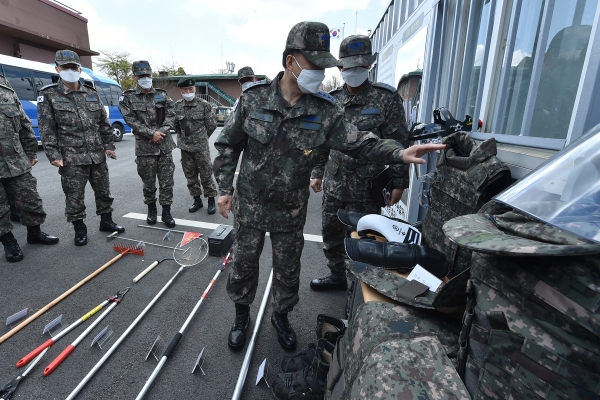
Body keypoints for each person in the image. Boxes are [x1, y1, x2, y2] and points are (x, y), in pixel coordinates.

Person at [214, 21, 444, 352]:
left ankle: (281, 316)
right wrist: (224, 188)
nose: (321, 72)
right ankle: (241, 315)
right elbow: (227, 146)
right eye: (314, 63)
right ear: (290, 61)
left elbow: (360, 141)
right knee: (243, 266)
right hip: (250, 206)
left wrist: (398, 152)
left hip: (291, 211)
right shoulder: (253, 100)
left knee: (288, 271)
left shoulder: (324, 110)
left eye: (325, 64)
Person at [309, 35, 409, 291]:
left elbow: (397, 143)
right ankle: (337, 276)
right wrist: (317, 172)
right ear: (340, 67)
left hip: (366, 187)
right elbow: (324, 141)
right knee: (331, 236)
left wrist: (399, 182)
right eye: (348, 67)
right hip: (334, 183)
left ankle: (360, 290)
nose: (353, 72)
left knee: (364, 241)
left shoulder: (386, 99)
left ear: (369, 65)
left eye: (359, 66)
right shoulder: (330, 100)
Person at [38, 50, 123, 246]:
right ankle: (79, 229)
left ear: (79, 69)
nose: (70, 70)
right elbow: (46, 128)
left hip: (96, 155)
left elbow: (103, 123)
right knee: (74, 196)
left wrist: (109, 145)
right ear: (57, 68)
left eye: (73, 67)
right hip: (71, 158)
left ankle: (106, 221)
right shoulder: (49, 95)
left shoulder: (91, 94)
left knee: (103, 191)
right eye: (65, 67)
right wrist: (53, 154)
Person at [0, 73, 58, 262]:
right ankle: (9, 243)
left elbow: (23, 122)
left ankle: (35, 233)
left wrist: (31, 152)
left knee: (30, 199)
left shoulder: (4, 85)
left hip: (16, 160)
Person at [118, 61, 176, 228]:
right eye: (141, 76)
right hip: (145, 148)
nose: (145, 78)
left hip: (164, 146)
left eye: (148, 75)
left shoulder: (162, 95)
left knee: (167, 182)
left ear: (152, 75)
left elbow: (172, 115)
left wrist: (160, 132)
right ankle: (151, 209)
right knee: (148, 182)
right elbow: (131, 120)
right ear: (134, 77)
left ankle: (166, 212)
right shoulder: (127, 97)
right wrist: (152, 134)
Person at [174, 77, 218, 215]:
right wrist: (185, 139)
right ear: (181, 90)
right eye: (185, 90)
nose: (188, 92)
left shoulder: (204, 105)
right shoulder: (177, 106)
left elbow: (211, 125)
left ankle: (211, 200)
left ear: (195, 89)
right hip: (185, 148)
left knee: (206, 175)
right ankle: (197, 200)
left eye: (191, 89)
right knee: (190, 176)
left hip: (201, 148)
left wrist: (201, 138)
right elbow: (176, 126)